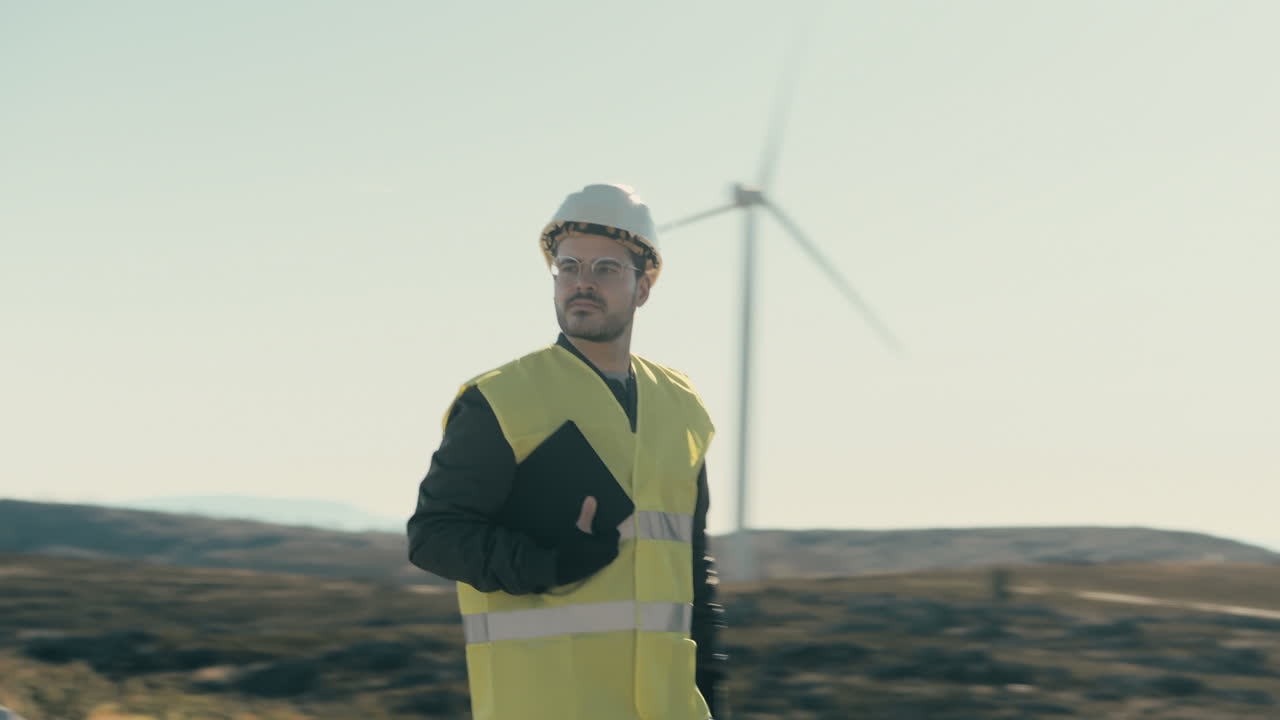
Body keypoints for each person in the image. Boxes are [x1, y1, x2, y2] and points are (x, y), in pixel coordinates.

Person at [407, 183, 728, 720]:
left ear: (643, 287)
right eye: (568, 266)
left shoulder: (682, 407)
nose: (582, 282)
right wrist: (545, 563)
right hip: (545, 702)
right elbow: (433, 537)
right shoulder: (500, 400)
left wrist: (710, 689)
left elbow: (693, 564)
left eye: (605, 269)